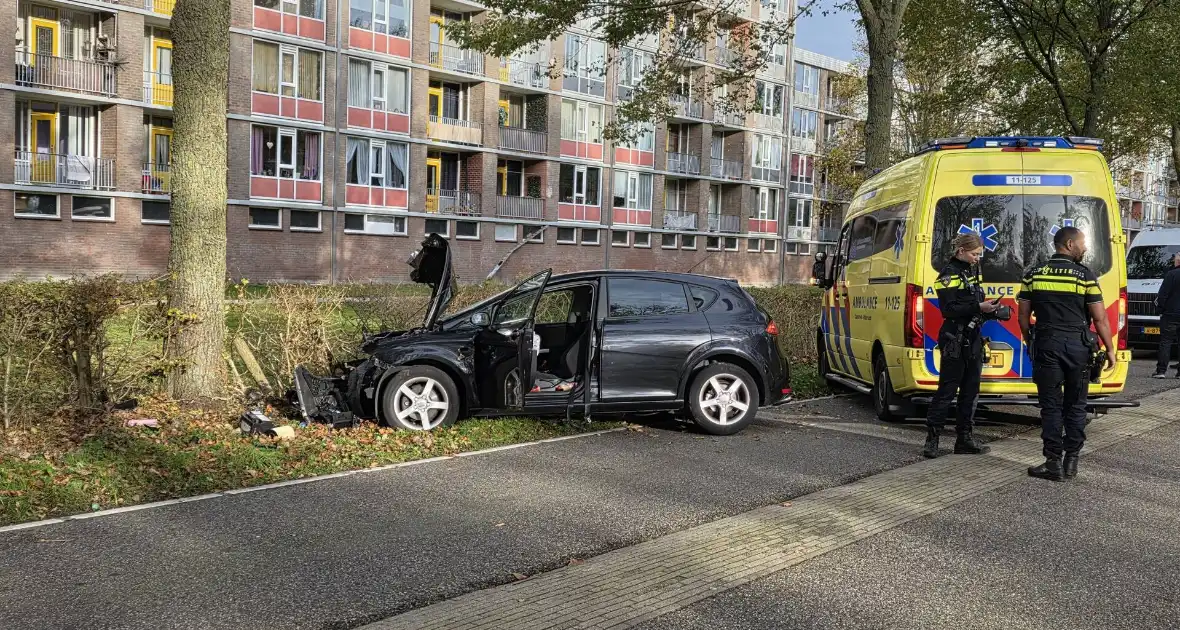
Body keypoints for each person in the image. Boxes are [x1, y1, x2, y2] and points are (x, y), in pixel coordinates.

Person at [1018, 226, 1116, 481]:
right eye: (1082, 244)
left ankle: (1053, 463)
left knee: (1050, 406)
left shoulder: (1034, 274)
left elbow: (1023, 315)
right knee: (1076, 405)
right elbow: (1100, 318)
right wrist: (1111, 349)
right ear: (1070, 244)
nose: (1084, 248)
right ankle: (1071, 461)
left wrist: (1031, 340)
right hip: (1078, 347)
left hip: (1047, 344)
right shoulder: (1084, 276)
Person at [922, 232, 997, 459]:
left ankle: (964, 439)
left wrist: (991, 312)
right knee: (946, 390)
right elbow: (948, 309)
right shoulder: (948, 274)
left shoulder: (971, 272)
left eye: (979, 254)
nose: (977, 258)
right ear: (961, 251)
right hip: (954, 337)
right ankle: (932, 440)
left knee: (970, 392)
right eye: (974, 254)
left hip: (973, 338)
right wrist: (979, 307)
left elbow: (973, 302)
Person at [1152, 252, 1180, 378]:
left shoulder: (1171, 274)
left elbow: (1162, 295)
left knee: (1166, 342)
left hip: (1170, 314)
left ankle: (1161, 371)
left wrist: (1159, 310)